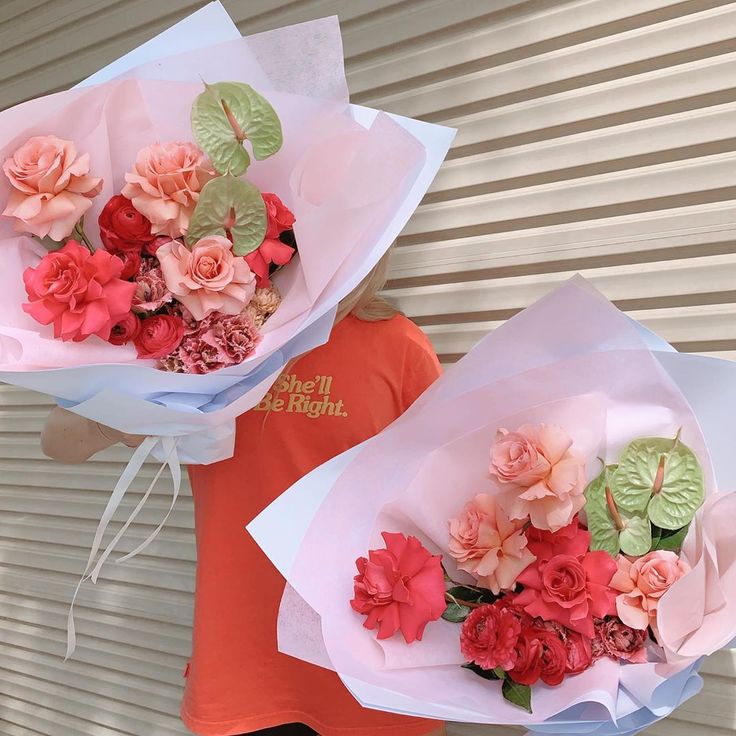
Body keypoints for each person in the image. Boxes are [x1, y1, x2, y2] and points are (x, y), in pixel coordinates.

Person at [42, 253, 445, 736]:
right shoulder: (207, 341)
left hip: (371, 671)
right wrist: (126, 415)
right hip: (242, 667)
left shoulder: (398, 345)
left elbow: (447, 516)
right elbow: (57, 440)